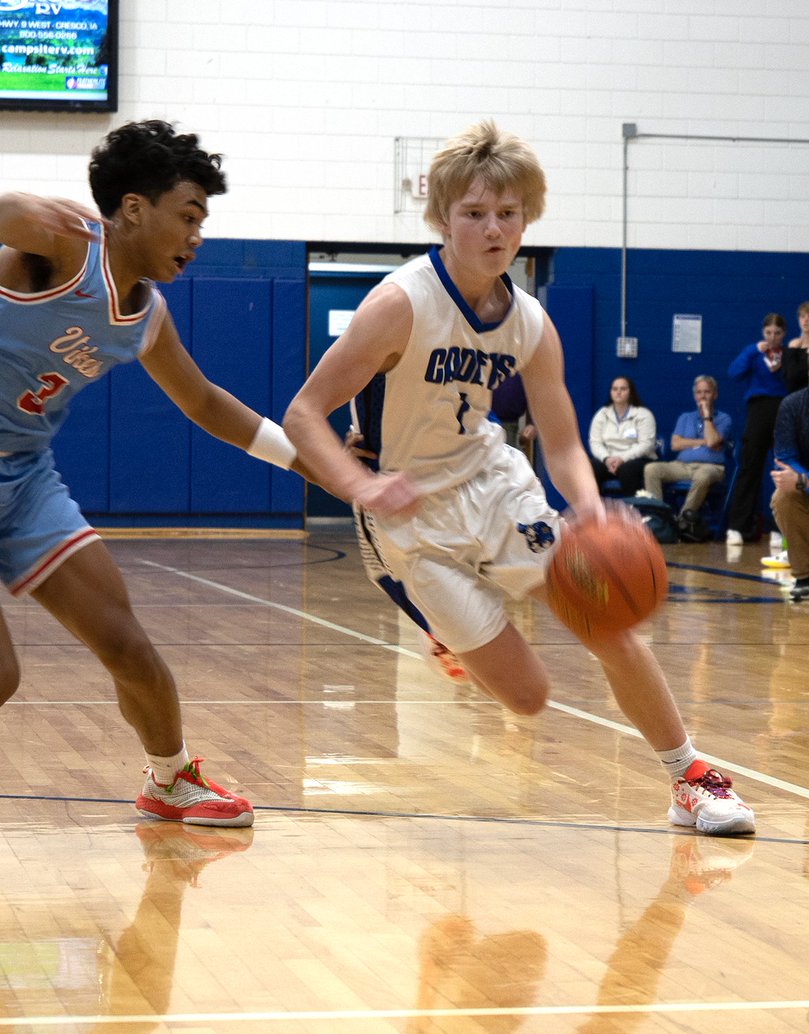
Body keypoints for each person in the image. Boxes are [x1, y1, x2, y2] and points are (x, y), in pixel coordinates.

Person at [283, 119, 755, 837]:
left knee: (604, 616)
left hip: (494, 484)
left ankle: (688, 776)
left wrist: (591, 512)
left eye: (507, 214)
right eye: (473, 214)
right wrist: (361, 486)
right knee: (528, 698)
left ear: (527, 218)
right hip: (409, 513)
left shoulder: (530, 321)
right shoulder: (398, 303)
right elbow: (304, 414)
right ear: (443, 218)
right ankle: (438, 626)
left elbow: (563, 442)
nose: (492, 229)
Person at [0, 119, 303, 828]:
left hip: (24, 477)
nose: (196, 235)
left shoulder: (147, 315)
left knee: (126, 643)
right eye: (188, 215)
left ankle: (170, 780)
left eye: (202, 220)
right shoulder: (65, 246)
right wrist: (11, 205)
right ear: (134, 208)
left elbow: (201, 401)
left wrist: (305, 458)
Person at [725, 312, 789, 545]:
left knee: (781, 468)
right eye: (769, 333)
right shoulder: (753, 352)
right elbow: (733, 373)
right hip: (758, 408)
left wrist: (785, 363)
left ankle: (778, 527)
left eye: (777, 333)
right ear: (763, 332)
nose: (772, 337)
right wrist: (754, 351)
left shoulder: (790, 353)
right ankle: (737, 527)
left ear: (784, 334)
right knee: (749, 466)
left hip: (783, 408)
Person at [642, 375, 732, 540]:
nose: (702, 396)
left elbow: (712, 440)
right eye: (699, 392)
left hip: (711, 468)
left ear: (715, 394)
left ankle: (681, 522)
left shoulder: (724, 418)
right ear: (694, 395)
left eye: (707, 392)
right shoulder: (685, 417)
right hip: (682, 465)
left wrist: (707, 416)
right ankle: (659, 520)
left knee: (702, 475)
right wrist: (703, 441)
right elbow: (675, 444)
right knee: (651, 469)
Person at [587, 376, 658, 496]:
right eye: (615, 389)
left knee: (627, 470)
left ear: (631, 392)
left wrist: (622, 459)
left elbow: (646, 444)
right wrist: (606, 459)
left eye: (623, 389)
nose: (618, 392)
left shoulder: (643, 414)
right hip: (609, 459)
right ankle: (596, 510)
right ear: (610, 392)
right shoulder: (602, 414)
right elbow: (595, 442)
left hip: (636, 459)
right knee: (591, 467)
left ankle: (632, 510)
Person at [770, 385, 809, 601]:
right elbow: (785, 458)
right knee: (783, 497)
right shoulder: (793, 404)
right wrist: (801, 481)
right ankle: (805, 577)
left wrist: (803, 480)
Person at [781, 300, 809, 395]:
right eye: (802, 316)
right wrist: (792, 350)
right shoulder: (793, 345)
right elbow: (790, 377)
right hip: (795, 399)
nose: (806, 320)